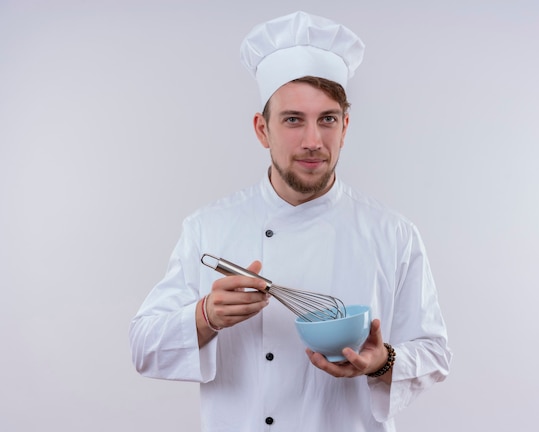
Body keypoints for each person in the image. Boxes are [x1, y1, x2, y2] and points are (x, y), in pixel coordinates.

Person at [130, 11, 451, 432]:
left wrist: (383, 362)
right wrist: (205, 315)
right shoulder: (208, 228)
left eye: (328, 119)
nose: (313, 141)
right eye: (293, 119)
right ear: (262, 130)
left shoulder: (393, 234)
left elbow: (434, 354)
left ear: (346, 126)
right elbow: (143, 347)